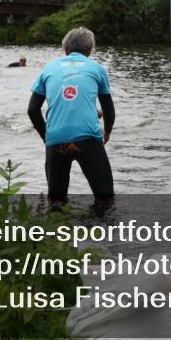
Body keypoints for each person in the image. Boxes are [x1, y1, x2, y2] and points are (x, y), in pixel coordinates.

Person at [27, 27, 115, 210]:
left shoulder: (49, 68)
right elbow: (108, 109)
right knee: (105, 198)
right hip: (88, 138)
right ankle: (101, 234)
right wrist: (107, 131)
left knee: (57, 203)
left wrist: (47, 137)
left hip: (56, 140)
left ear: (65, 49)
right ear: (90, 50)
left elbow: (33, 110)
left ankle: (59, 236)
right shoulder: (96, 69)